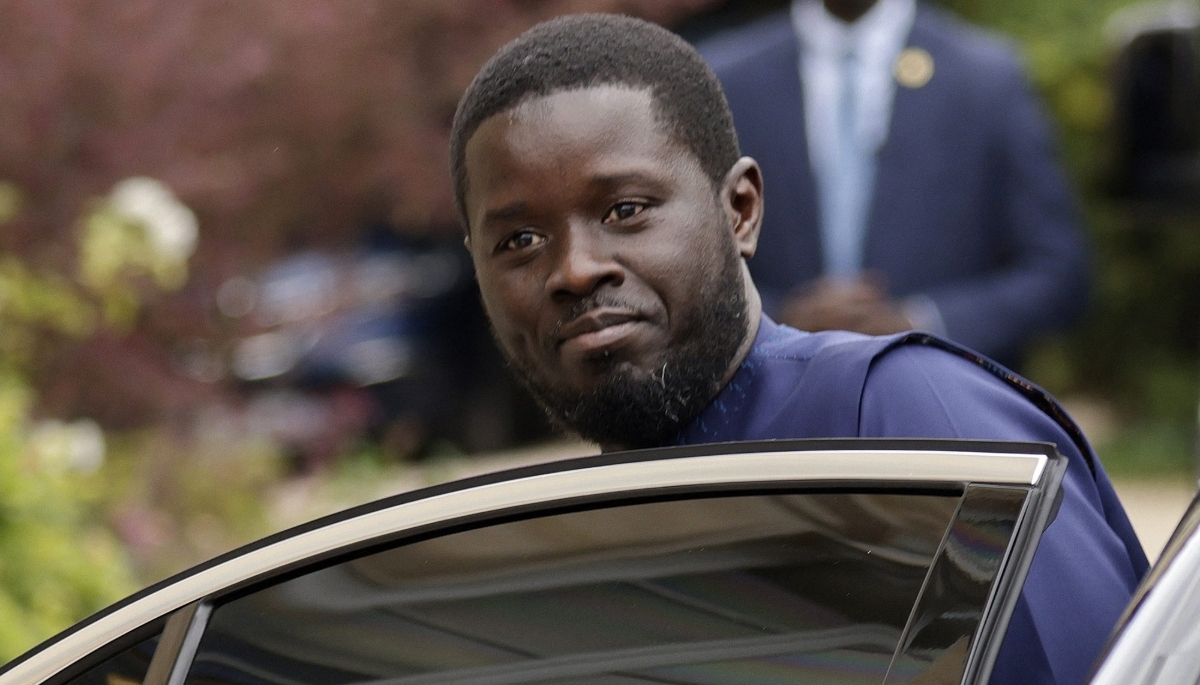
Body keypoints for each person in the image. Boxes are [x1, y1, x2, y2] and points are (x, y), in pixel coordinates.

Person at [450, 14, 1146, 685]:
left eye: (625, 210)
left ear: (740, 210)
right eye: (520, 241)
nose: (574, 269)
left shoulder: (911, 418)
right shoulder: (556, 551)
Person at [696, 0, 1090, 366]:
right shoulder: (725, 78)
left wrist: (922, 323)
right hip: (770, 415)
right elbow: (690, 264)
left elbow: (1059, 272)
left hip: (943, 410)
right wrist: (775, 319)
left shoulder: (985, 78)